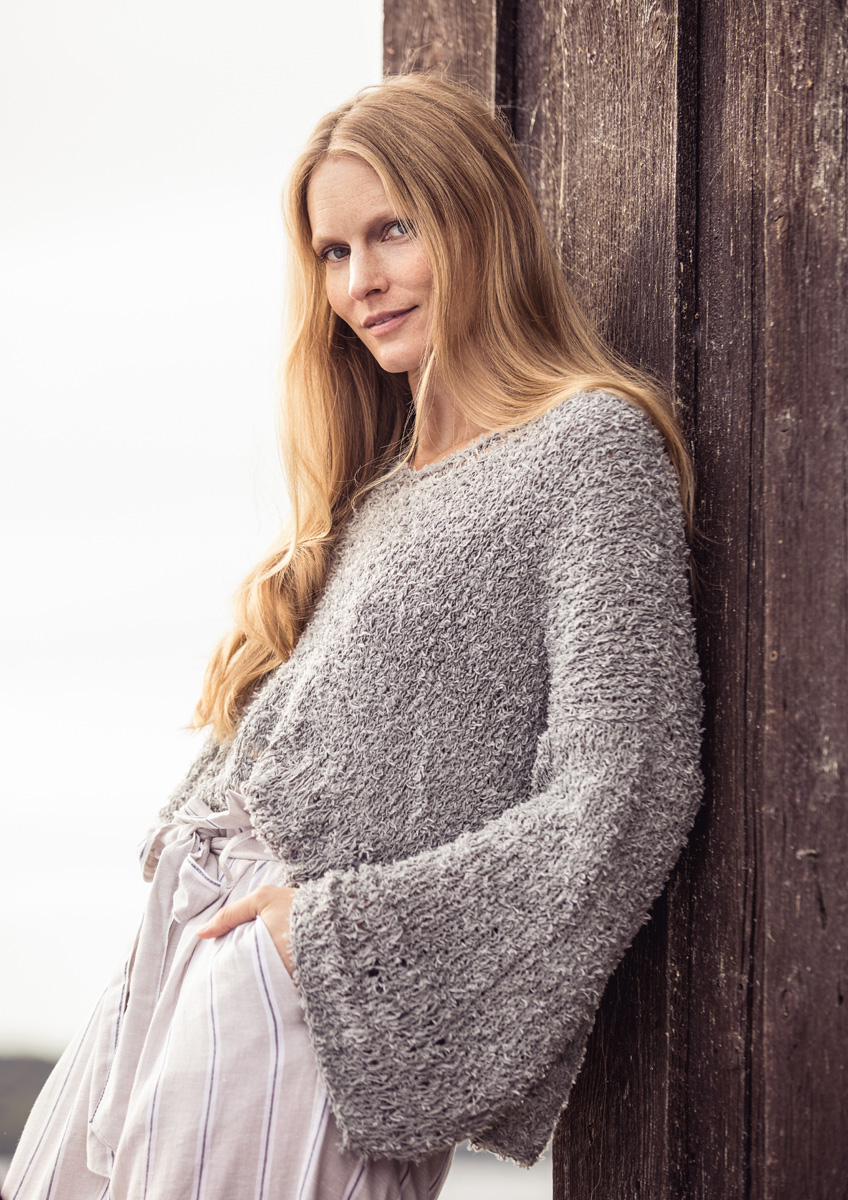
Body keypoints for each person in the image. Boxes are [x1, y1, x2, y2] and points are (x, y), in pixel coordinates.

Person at [3, 73, 703, 1200]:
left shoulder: (589, 448)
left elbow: (628, 786)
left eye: (393, 231)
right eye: (333, 252)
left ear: (477, 223)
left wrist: (333, 942)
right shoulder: (374, 491)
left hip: (316, 1000)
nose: (359, 282)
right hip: (179, 961)